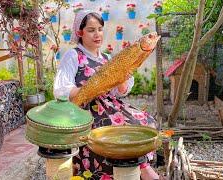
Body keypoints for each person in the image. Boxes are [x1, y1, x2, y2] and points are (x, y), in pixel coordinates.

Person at [53, 10, 159, 180]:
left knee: (146, 122)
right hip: (84, 109)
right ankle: (139, 170)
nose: (97, 34)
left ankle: (137, 168)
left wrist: (123, 74)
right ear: (80, 32)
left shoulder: (107, 58)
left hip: (109, 104)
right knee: (110, 131)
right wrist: (91, 88)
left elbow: (119, 92)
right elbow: (61, 89)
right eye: (91, 30)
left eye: (100, 29)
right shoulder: (73, 56)